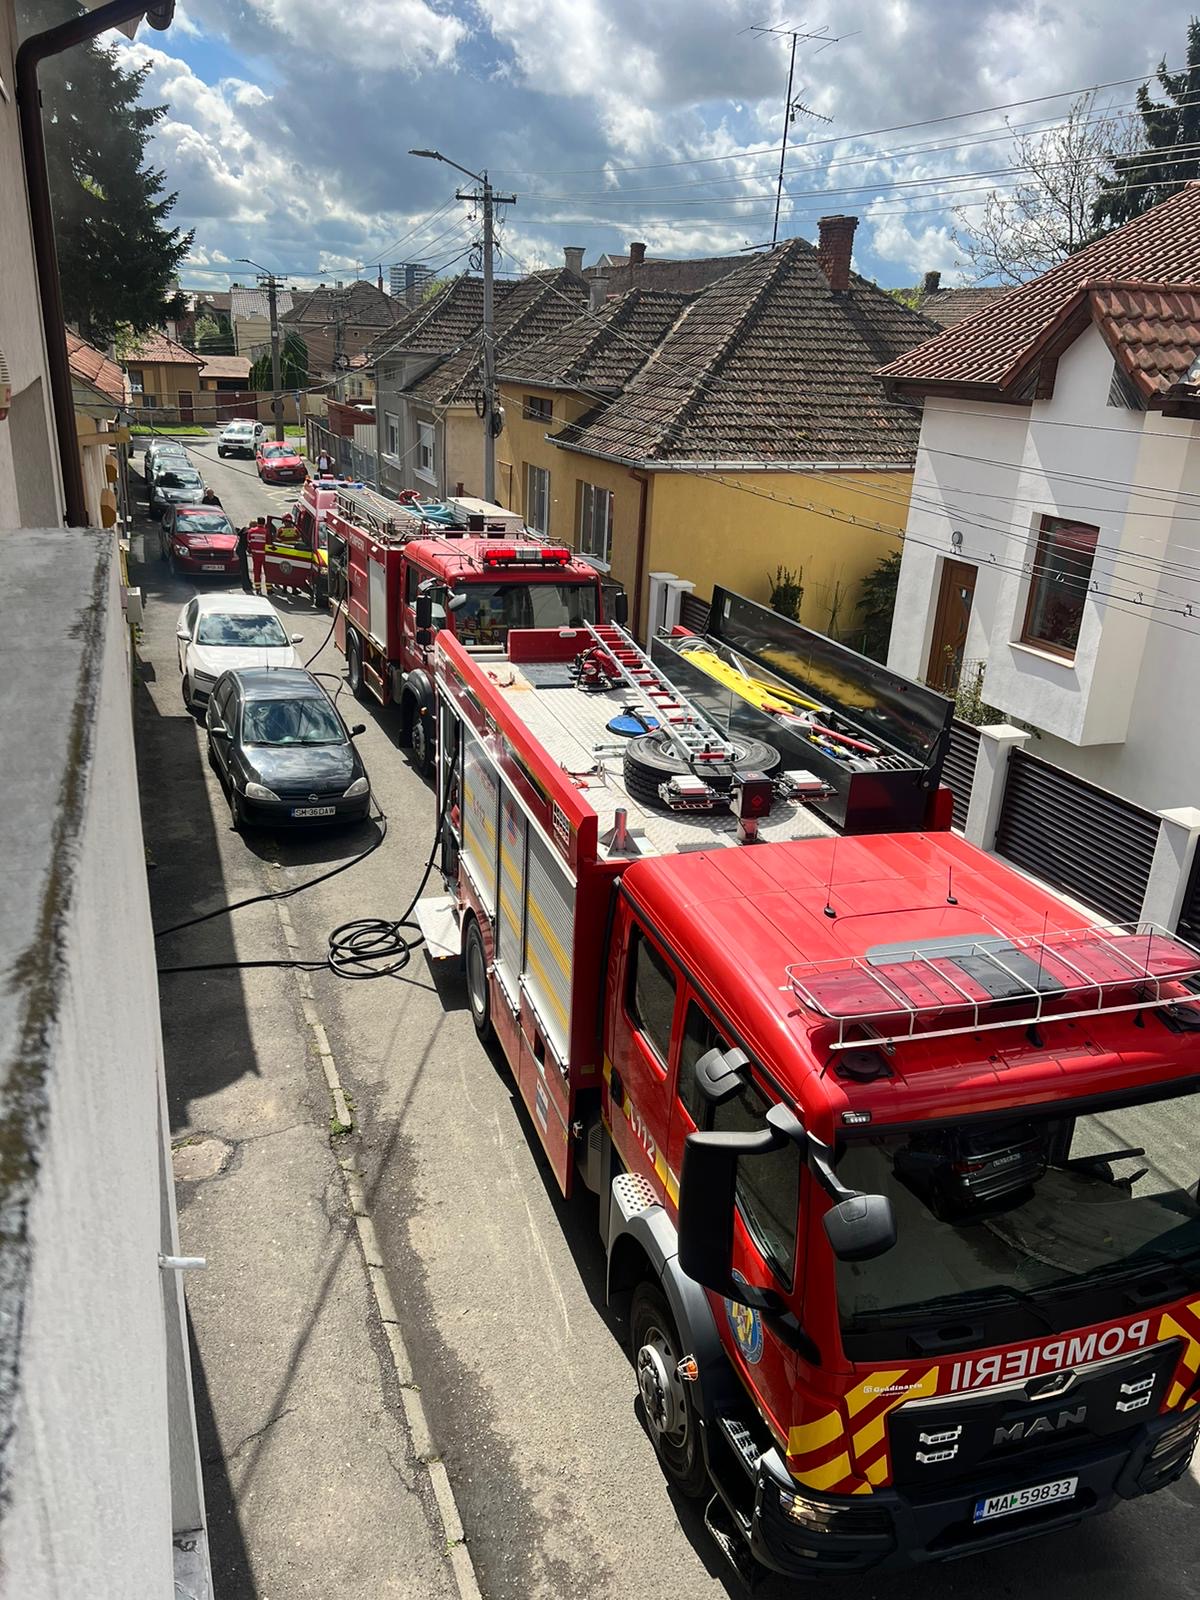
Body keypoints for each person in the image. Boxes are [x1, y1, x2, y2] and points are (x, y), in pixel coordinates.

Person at [245, 516, 269, 595]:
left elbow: (249, 541)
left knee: (257, 571)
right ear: (264, 523)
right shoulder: (266, 532)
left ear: (257, 523)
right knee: (267, 571)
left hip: (255, 554)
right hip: (265, 555)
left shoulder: (251, 531)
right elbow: (269, 542)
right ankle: (269, 588)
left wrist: (250, 549)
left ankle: (258, 588)